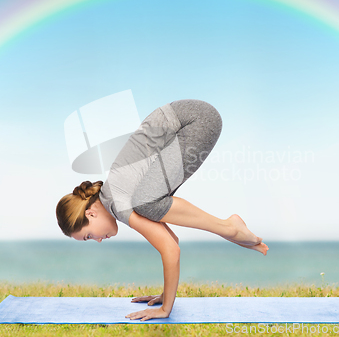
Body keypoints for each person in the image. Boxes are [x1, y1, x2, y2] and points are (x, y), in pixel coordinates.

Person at [56, 99, 268, 321]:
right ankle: (229, 228)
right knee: (148, 202)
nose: (97, 240)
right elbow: (171, 241)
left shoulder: (119, 204)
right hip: (192, 119)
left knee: (146, 203)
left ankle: (229, 227)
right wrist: (166, 294)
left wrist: (166, 309)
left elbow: (170, 250)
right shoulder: (117, 197)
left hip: (193, 121)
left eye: (88, 235)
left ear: (90, 213)